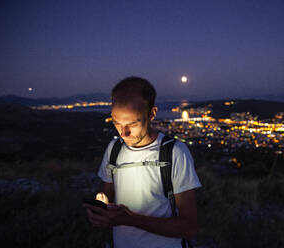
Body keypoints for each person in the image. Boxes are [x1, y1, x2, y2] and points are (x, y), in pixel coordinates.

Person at [83, 76, 202, 248]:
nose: (124, 133)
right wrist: (101, 209)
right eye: (116, 123)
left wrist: (130, 219)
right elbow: (106, 195)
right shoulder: (113, 150)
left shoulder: (174, 153)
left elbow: (189, 228)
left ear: (152, 113)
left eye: (133, 124)